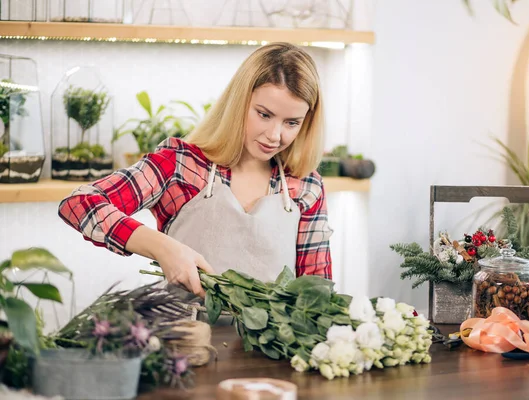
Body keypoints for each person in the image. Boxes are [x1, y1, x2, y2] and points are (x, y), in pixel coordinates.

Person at [58, 42, 333, 298]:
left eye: (292, 123)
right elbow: (80, 203)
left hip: (269, 351)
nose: (275, 135)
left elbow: (316, 297)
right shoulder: (182, 167)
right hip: (183, 344)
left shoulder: (306, 187)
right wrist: (163, 248)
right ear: (239, 103)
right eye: (264, 114)